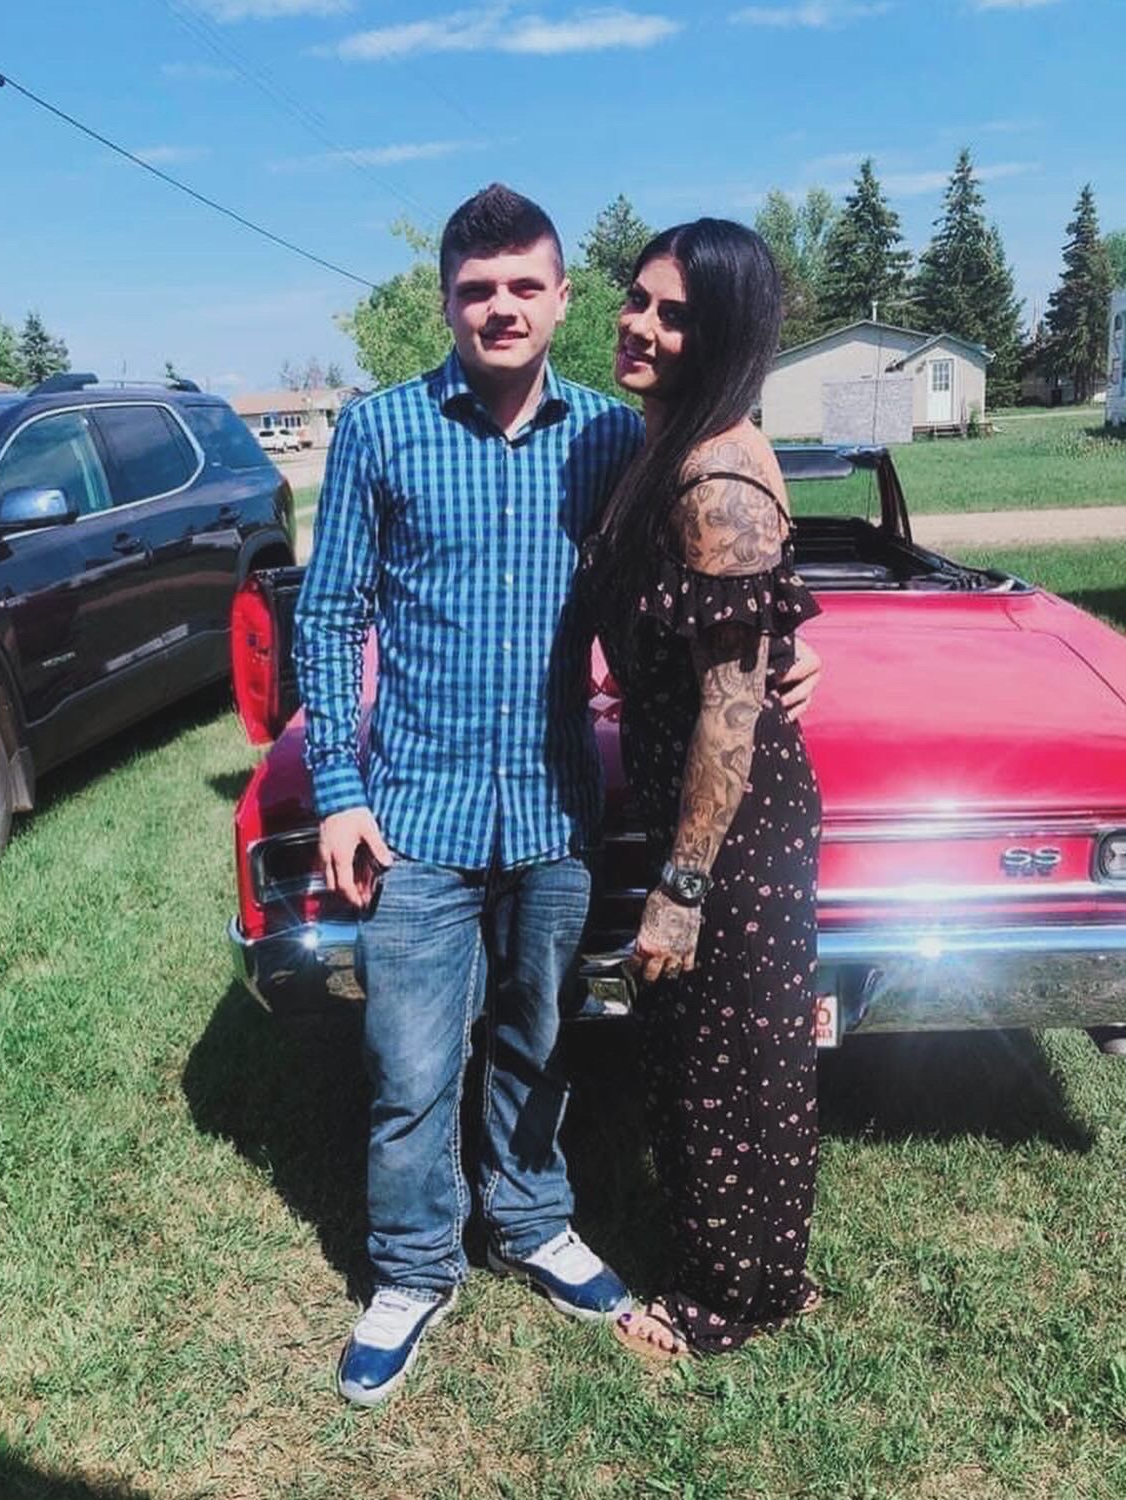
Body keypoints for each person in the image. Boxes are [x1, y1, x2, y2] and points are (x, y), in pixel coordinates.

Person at [294, 186, 821, 1406]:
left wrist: (796, 644)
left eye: (526, 286)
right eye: (478, 289)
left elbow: (726, 563)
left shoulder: (610, 438)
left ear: (560, 298)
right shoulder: (380, 431)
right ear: (445, 300)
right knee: (409, 1063)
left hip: (555, 813)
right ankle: (414, 1265)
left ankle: (531, 1219)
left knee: (539, 1039)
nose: (501, 308)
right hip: (416, 812)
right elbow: (327, 622)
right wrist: (336, 791)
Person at [580, 219, 823, 1360]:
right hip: (699, 801)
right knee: (706, 1048)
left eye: (675, 314)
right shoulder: (664, 443)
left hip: (734, 820)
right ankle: (746, 1264)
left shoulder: (719, 471)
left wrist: (681, 884)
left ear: (720, 334)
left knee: (738, 1062)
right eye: (638, 298)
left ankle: (740, 1296)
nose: (641, 323)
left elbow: (732, 709)